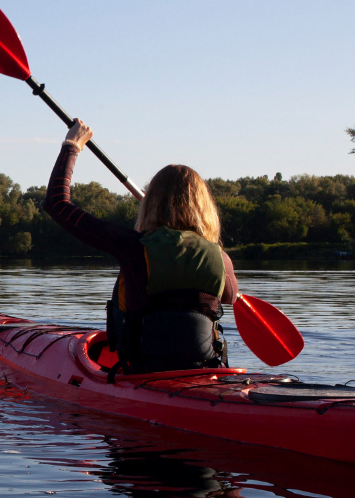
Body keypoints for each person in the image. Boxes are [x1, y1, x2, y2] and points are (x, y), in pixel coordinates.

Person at [46, 119, 238, 377]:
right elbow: (230, 297)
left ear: (150, 204)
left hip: (145, 371)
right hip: (204, 372)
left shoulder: (132, 247)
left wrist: (72, 145)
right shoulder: (221, 258)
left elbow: (57, 203)